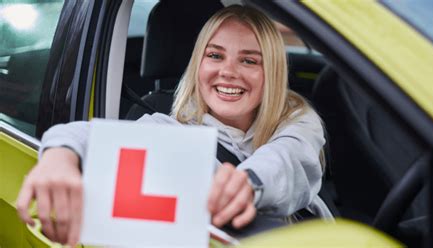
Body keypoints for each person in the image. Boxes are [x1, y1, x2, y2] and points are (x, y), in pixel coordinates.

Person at [16, 5, 331, 246]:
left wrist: (249, 182)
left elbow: (291, 156)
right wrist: (58, 155)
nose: (229, 71)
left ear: (272, 73)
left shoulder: (296, 117)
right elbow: (82, 135)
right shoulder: (171, 130)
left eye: (249, 60)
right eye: (215, 56)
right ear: (198, 65)